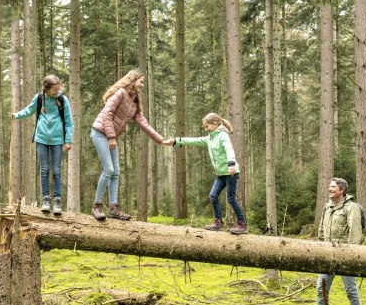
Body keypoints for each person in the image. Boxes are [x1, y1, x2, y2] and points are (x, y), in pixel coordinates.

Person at [91, 69, 165, 220]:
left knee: (116, 172)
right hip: (100, 132)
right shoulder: (120, 93)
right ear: (132, 80)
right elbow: (107, 113)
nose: (142, 85)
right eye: (141, 82)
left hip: (110, 136)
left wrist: (161, 140)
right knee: (108, 170)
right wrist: (111, 136)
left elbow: (144, 124)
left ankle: (113, 208)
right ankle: (97, 206)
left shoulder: (134, 100)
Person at [163, 113, 247, 235]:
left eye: (207, 126)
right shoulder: (210, 138)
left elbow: (229, 149)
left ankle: (242, 225)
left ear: (215, 124)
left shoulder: (223, 136)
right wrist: (175, 141)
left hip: (231, 173)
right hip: (221, 174)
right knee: (213, 196)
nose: (205, 129)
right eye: (204, 127)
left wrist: (231, 164)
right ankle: (218, 222)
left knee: (231, 199)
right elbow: (194, 141)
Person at [309, 177, 364, 305]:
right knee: (321, 290)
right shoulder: (327, 207)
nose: (330, 189)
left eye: (333, 187)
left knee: (351, 291)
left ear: (341, 190)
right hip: (328, 255)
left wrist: (351, 255)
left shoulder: (351, 207)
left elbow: (355, 234)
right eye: (329, 186)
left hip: (346, 256)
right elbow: (321, 229)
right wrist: (321, 247)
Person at [12, 74, 73, 215]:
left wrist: (68, 140)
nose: (57, 92)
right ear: (46, 89)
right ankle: (46, 199)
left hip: (58, 139)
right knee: (44, 169)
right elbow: (29, 110)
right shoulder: (39, 98)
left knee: (57, 170)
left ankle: (57, 201)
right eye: (54, 90)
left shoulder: (63, 100)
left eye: (58, 89)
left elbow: (69, 122)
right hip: (41, 138)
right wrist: (17, 115)